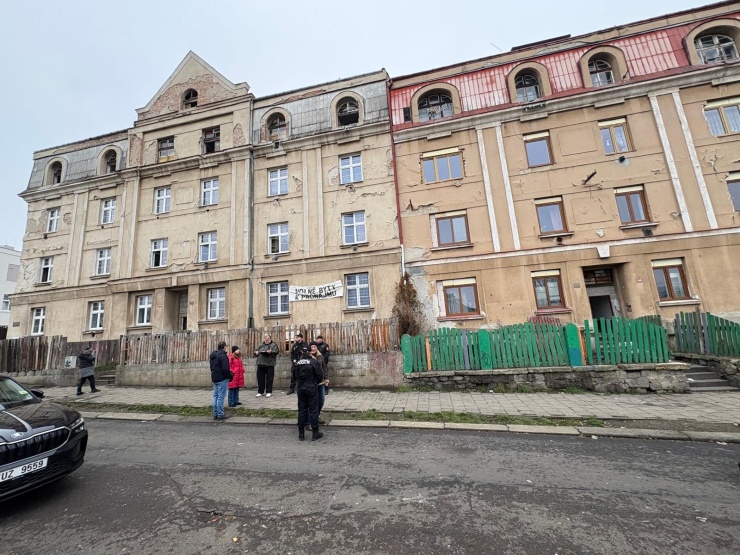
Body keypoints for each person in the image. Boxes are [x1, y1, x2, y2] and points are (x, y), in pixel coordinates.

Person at [292, 347, 324, 441]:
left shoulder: (297, 363)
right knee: (313, 410)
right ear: (309, 353)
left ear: (301, 353)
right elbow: (320, 375)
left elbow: (294, 376)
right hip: (311, 387)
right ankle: (315, 433)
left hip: (301, 388)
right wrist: (315, 382)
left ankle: (301, 434)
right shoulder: (313, 362)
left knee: (302, 410)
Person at [209, 341, 233, 421]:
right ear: (224, 347)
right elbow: (225, 368)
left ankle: (215, 414)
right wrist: (229, 376)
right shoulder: (223, 356)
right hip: (222, 378)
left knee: (215, 396)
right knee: (220, 397)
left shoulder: (213, 355)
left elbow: (211, 367)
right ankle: (220, 414)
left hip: (214, 377)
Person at [309, 342, 329, 425]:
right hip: (312, 383)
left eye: (315, 347)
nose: (313, 348)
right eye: (312, 347)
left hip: (321, 382)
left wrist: (326, 378)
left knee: (321, 400)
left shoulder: (320, 355)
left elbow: (324, 367)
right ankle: (311, 420)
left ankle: (317, 415)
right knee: (313, 402)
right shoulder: (307, 356)